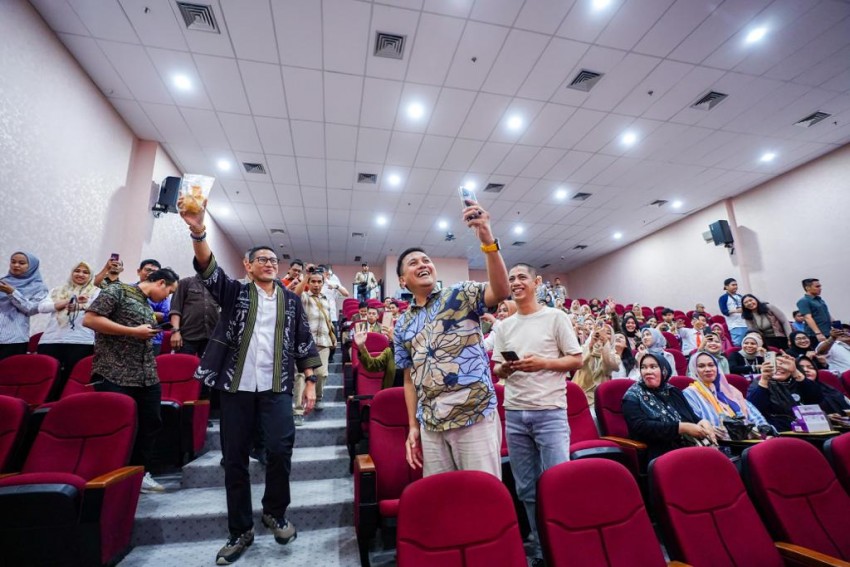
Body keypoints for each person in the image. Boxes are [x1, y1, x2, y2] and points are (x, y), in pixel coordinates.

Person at [178, 199, 322, 565]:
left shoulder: (291, 301)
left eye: (274, 261)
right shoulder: (235, 292)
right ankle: (239, 529)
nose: (269, 264)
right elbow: (208, 270)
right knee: (235, 460)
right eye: (262, 260)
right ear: (248, 265)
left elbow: (304, 340)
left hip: (276, 387)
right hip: (235, 388)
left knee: (280, 447)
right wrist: (198, 230)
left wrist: (309, 381)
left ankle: (274, 511)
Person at [394, 201, 510, 479]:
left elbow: (502, 291)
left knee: (483, 499)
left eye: (426, 260)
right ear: (402, 281)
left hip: (474, 416)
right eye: (413, 263)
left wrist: (486, 238)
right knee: (444, 502)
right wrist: (412, 426)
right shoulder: (402, 324)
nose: (423, 264)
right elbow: (409, 379)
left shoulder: (460, 294)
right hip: (431, 425)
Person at [491, 263, 582, 565]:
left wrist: (542, 363)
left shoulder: (556, 317)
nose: (516, 283)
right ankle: (542, 548)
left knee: (559, 484)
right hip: (515, 414)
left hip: (550, 412)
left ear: (537, 282)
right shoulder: (504, 326)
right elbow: (496, 367)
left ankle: (566, 548)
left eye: (521, 278)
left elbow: (576, 361)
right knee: (526, 488)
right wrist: (504, 368)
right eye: (512, 279)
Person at [83, 266, 179, 494]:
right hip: (115, 372)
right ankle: (110, 475)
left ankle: (139, 473)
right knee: (115, 427)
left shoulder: (146, 304)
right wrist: (132, 331)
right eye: (169, 291)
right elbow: (90, 319)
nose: (168, 297)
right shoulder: (118, 291)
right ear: (160, 283)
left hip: (145, 374)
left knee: (151, 424)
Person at [623, 352, 717, 461]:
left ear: (664, 370)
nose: (647, 371)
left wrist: (703, 422)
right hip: (655, 450)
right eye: (643, 367)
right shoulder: (632, 396)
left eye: (653, 367)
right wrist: (680, 428)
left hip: (686, 445)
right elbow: (641, 427)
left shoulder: (672, 391)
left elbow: (690, 416)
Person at [36, 261, 100, 393]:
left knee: (72, 382)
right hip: (51, 340)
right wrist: (70, 300)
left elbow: (100, 309)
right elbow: (42, 307)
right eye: (77, 271)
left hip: (81, 341)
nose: (80, 274)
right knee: (48, 383)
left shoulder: (96, 292)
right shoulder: (57, 290)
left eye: (85, 272)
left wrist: (81, 306)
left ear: (91, 275)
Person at [683, 352, 770, 430]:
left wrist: (765, 430)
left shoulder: (729, 389)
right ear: (694, 369)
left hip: (749, 437)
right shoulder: (690, 393)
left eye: (711, 365)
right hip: (720, 443)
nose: (708, 369)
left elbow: (752, 413)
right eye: (701, 366)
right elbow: (699, 426)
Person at [293, 271, 335, 426]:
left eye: (319, 282)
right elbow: (295, 294)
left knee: (322, 374)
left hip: (324, 342)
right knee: (300, 377)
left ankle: (318, 397)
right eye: (313, 281)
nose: (316, 285)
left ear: (323, 284)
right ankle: (297, 411)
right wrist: (304, 277)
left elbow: (328, 320)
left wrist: (332, 338)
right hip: (305, 343)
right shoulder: (304, 297)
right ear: (309, 283)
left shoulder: (326, 300)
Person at [747, 352, 822, 432]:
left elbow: (817, 398)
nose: (779, 368)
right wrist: (764, 379)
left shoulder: (799, 381)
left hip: (811, 428)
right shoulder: (760, 383)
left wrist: (795, 372)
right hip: (780, 431)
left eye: (783, 365)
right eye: (775, 365)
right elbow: (754, 408)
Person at [0, 251, 49, 360]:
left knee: (7, 375)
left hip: (14, 339)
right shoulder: (2, 282)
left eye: (21, 263)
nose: (16, 265)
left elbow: (31, 309)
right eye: (13, 262)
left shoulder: (39, 287)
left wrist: (12, 292)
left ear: (31, 266)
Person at [168, 274, 220, 357]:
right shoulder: (185, 282)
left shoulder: (218, 287)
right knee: (183, 366)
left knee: (206, 369)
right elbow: (175, 310)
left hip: (211, 338)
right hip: (187, 337)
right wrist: (175, 332)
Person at [573, 323, 620, 405]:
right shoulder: (584, 348)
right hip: (579, 393)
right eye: (600, 331)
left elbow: (609, 366)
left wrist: (605, 343)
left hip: (597, 399)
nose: (603, 334)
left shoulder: (615, 356)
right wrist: (591, 344)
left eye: (608, 333)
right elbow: (578, 363)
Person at [136, 259, 170, 348]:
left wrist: (139, 312)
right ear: (139, 271)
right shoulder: (127, 289)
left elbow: (166, 316)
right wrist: (154, 314)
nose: (150, 274)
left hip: (153, 339)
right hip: (127, 336)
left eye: (154, 272)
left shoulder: (163, 294)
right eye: (148, 270)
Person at [796, 278, 833, 343]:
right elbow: (807, 317)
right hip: (815, 335)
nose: (820, 288)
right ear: (807, 288)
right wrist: (818, 333)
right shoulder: (803, 301)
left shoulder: (820, 300)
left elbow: (827, 314)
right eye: (817, 286)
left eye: (820, 286)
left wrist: (836, 326)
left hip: (828, 332)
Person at [718, 278, 747, 346]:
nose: (735, 286)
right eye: (733, 285)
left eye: (736, 285)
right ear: (726, 287)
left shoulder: (740, 296)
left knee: (747, 343)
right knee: (738, 344)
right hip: (735, 325)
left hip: (746, 323)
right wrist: (736, 310)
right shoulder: (723, 298)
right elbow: (724, 311)